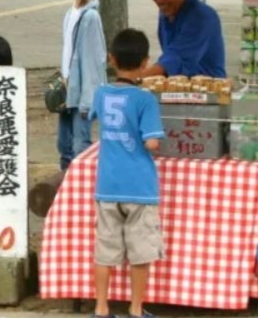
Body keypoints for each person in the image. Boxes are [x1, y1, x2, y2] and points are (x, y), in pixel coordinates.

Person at [92, 28, 165, 318]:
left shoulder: (101, 93)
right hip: (139, 187)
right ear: (146, 63)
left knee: (105, 251)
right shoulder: (145, 100)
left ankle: (101, 308)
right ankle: (135, 309)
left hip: (107, 184)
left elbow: (95, 118)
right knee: (140, 252)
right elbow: (152, 142)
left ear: (111, 59)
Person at [137, 0, 225, 79]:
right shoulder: (167, 10)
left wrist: (132, 80)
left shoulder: (202, 17)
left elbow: (173, 60)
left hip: (205, 94)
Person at [59, 0, 108, 171]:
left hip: (81, 94)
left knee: (80, 144)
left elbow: (94, 60)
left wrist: (88, 100)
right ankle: (65, 189)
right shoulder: (72, 13)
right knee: (64, 144)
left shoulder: (90, 17)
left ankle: (82, 189)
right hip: (67, 89)